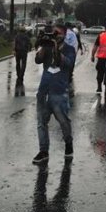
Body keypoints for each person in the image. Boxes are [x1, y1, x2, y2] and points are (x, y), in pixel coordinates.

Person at [32, 23, 76, 164]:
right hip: (44, 91)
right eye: (52, 33)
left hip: (59, 92)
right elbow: (38, 60)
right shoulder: (47, 46)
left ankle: (68, 143)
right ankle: (43, 151)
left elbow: (67, 64)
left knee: (63, 122)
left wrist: (57, 49)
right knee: (41, 123)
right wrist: (43, 46)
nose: (54, 36)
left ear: (64, 34)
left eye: (57, 33)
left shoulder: (69, 49)